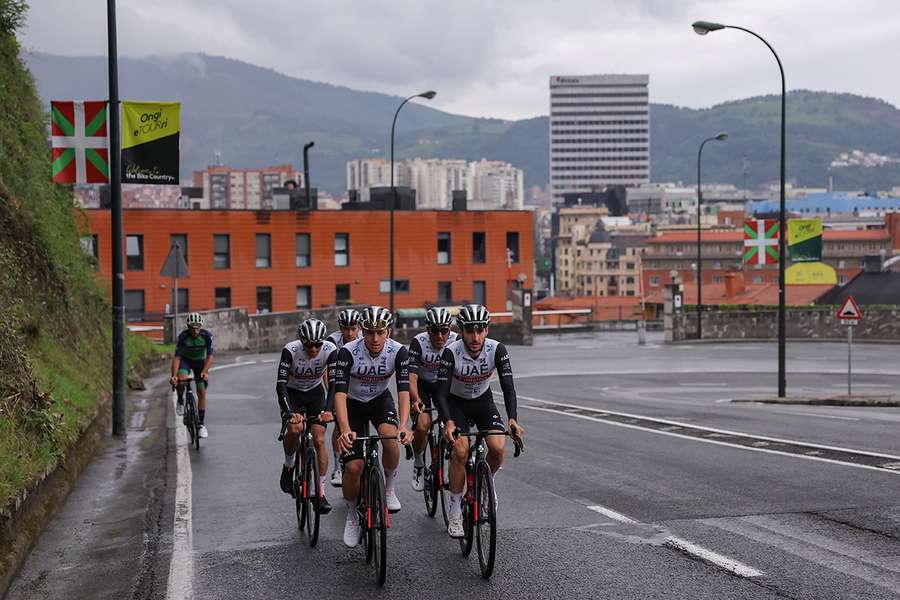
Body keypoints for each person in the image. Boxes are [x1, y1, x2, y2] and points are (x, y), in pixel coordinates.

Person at [435, 304, 524, 538]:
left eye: (480, 330)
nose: (475, 337)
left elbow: (508, 389)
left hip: (483, 400)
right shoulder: (450, 352)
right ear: (461, 330)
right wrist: (448, 423)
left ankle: (485, 484)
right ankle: (455, 509)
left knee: (497, 448)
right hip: (456, 403)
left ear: (486, 329)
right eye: (470, 331)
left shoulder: (497, 349)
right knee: (461, 452)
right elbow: (440, 393)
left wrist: (512, 419)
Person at [332, 306, 412, 547]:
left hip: (379, 400)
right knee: (354, 467)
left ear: (388, 331)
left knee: (390, 438)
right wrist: (344, 429)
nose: (375, 339)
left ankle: (388, 489)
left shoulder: (398, 352)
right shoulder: (347, 352)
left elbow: (403, 392)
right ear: (361, 331)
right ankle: (352, 512)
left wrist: (405, 425)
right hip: (353, 405)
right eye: (369, 332)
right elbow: (339, 395)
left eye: (380, 332)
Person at [276, 318, 337, 514]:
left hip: (314, 393)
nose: (313, 349)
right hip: (292, 393)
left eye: (317, 344)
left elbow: (335, 385)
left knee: (319, 438)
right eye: (309, 344)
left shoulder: (330, 349)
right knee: (295, 429)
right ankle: (289, 465)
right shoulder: (291, 350)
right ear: (302, 341)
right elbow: (281, 384)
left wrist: (328, 410)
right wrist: (288, 412)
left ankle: (320, 492)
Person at [407, 307, 457, 491]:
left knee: (455, 423)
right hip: (423, 385)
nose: (440, 335)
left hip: (445, 386)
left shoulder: (456, 341)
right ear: (427, 330)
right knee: (422, 424)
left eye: (444, 330)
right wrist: (416, 399)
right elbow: (411, 377)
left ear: (450, 329)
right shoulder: (418, 342)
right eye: (434, 331)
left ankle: (452, 462)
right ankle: (419, 463)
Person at [327, 308, 363, 487]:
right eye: (345, 328)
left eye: (353, 328)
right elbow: (328, 373)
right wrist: (334, 396)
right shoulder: (333, 341)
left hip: (359, 383)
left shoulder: (366, 338)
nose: (349, 333)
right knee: (339, 424)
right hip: (339, 383)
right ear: (340, 327)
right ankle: (337, 467)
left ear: (359, 327)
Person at [170, 312, 214, 438]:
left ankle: (201, 424)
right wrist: (174, 376)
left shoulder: (207, 336)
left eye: (198, 327)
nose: (195, 331)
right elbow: (177, 358)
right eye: (192, 328)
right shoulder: (183, 337)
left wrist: (205, 372)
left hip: (200, 363)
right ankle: (180, 400)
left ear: (200, 327)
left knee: (201, 391)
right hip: (186, 361)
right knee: (182, 380)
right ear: (188, 327)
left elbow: (210, 357)